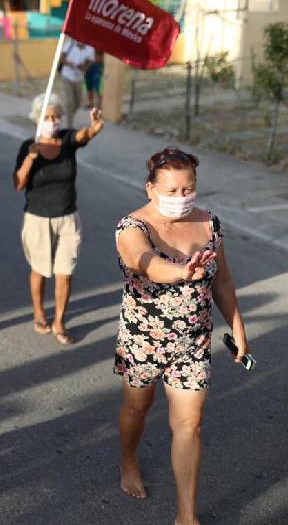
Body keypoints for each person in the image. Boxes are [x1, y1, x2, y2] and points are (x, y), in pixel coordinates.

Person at [114, 147, 251, 525]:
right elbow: (145, 263)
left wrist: (238, 328)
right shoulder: (132, 227)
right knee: (136, 409)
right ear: (150, 189)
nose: (181, 198)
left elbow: (222, 280)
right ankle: (129, 459)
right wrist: (180, 273)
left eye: (188, 189)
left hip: (194, 344)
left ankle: (187, 516)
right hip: (144, 341)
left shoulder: (210, 224)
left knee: (190, 424)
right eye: (171, 191)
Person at [13, 93, 104, 345]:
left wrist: (94, 128)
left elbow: (82, 135)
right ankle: (40, 312)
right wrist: (31, 158)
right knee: (40, 270)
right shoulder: (26, 146)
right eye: (47, 117)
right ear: (36, 119)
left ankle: (59, 321)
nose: (52, 121)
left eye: (56, 116)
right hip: (38, 219)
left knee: (65, 272)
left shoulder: (66, 140)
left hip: (67, 218)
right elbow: (19, 184)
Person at [59, 38, 94, 129]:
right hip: (66, 76)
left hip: (79, 78)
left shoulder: (90, 49)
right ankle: (68, 126)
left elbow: (88, 65)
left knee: (78, 103)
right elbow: (61, 59)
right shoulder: (69, 44)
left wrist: (83, 67)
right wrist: (71, 64)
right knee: (69, 101)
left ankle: (68, 115)